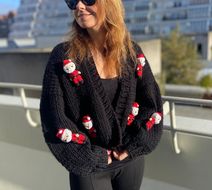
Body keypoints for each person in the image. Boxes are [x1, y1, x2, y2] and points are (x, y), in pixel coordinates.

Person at [40, 0, 163, 189]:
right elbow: (54, 116)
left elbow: (151, 102)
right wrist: (91, 156)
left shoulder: (131, 53)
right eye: (73, 1)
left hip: (130, 161)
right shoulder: (64, 57)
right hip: (89, 167)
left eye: (88, 0)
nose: (79, 6)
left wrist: (134, 146)